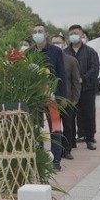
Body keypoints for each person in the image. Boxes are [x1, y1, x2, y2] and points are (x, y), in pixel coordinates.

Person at [30, 23, 69, 170]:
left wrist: (63, 97)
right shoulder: (29, 52)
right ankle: (38, 158)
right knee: (36, 128)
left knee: (55, 129)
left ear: (46, 34)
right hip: (35, 99)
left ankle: (56, 160)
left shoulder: (55, 52)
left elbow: (62, 74)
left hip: (52, 97)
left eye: (40, 31)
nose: (37, 34)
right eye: (35, 32)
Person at [64, 24, 100, 150]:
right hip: (71, 91)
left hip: (87, 89)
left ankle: (90, 139)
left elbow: (95, 69)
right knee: (70, 116)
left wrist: (82, 78)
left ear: (81, 34)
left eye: (76, 33)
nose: (74, 36)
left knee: (88, 114)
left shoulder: (90, 52)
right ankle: (71, 140)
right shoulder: (65, 53)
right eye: (71, 34)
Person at [52, 34, 82, 160]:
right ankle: (56, 151)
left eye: (58, 42)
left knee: (68, 126)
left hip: (68, 100)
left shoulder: (71, 60)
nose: (56, 45)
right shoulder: (47, 60)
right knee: (54, 127)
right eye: (53, 43)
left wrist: (74, 100)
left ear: (64, 44)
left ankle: (67, 149)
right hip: (52, 101)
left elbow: (76, 81)